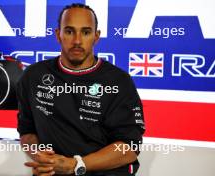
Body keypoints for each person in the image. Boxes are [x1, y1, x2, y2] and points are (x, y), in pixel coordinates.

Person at [17, 3, 145, 176]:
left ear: (96, 36)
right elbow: (27, 131)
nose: (77, 41)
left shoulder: (119, 82)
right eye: (69, 31)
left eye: (85, 32)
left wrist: (76, 164)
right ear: (58, 35)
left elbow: (129, 148)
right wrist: (42, 157)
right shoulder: (33, 76)